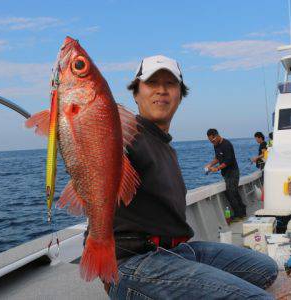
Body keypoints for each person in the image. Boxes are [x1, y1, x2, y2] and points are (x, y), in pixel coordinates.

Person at [105, 55, 278, 299]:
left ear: (180, 95)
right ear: (135, 93)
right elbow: (100, 147)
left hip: (179, 250)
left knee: (265, 269)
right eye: (152, 83)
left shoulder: (165, 145)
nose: (162, 90)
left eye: (170, 84)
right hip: (136, 261)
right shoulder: (126, 135)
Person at [205, 129, 247, 219]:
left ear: (217, 136)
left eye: (212, 140)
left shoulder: (226, 144)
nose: (212, 143)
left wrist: (217, 168)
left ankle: (238, 214)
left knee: (231, 192)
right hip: (225, 173)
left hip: (233, 171)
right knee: (233, 192)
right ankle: (242, 212)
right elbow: (217, 158)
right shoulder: (216, 145)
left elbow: (229, 161)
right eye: (210, 141)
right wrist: (210, 165)